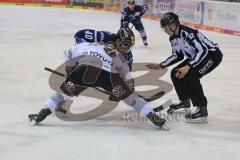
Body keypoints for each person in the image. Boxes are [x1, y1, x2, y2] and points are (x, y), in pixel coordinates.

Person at [28, 28, 166, 128]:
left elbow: (68, 53)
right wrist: (125, 90)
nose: (126, 47)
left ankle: (41, 114)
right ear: (115, 42)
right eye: (124, 44)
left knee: (61, 94)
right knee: (131, 99)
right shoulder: (116, 54)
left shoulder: (86, 45)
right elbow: (126, 72)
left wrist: (70, 69)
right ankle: (153, 117)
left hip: (83, 72)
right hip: (108, 76)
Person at [146, 12, 223, 123]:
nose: (165, 30)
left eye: (166, 27)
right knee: (175, 73)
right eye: (164, 28)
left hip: (212, 55)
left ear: (174, 25)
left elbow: (203, 50)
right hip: (196, 56)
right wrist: (161, 65)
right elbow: (177, 55)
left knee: (191, 75)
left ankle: (202, 108)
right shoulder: (173, 38)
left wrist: (189, 66)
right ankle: (185, 101)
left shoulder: (188, 33)